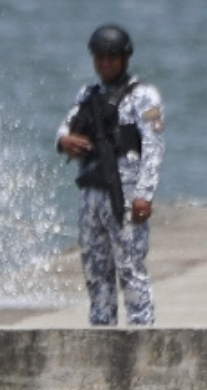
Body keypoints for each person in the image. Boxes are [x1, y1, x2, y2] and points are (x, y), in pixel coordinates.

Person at [57, 25, 165, 327]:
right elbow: (64, 128)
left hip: (125, 195)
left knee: (131, 271)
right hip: (91, 194)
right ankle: (101, 336)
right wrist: (65, 141)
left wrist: (145, 193)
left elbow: (154, 148)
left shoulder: (144, 97)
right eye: (100, 58)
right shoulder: (87, 94)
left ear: (125, 58)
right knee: (95, 272)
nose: (105, 63)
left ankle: (141, 335)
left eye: (111, 58)